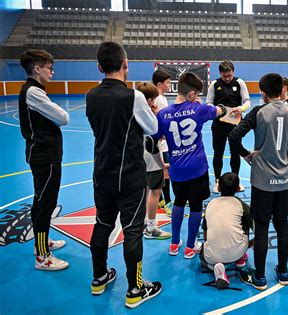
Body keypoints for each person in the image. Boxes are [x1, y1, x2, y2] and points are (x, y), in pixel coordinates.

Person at [86, 42, 161, 308]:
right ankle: (135, 289)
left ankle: (99, 277)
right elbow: (152, 128)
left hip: (101, 174)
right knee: (132, 231)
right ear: (125, 65)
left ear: (99, 66)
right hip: (129, 176)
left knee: (102, 225)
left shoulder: (90, 95)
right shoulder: (134, 97)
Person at [229, 73, 288, 291]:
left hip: (262, 179)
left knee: (261, 227)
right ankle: (284, 271)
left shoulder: (259, 112)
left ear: (263, 93)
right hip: (284, 179)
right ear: (283, 90)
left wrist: (247, 154)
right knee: (282, 224)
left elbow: (233, 136)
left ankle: (259, 277)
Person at [153, 72, 226, 259]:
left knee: (178, 202)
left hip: (177, 169)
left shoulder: (163, 114)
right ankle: (190, 246)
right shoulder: (198, 109)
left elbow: (155, 137)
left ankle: (174, 243)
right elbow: (219, 111)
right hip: (197, 168)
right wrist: (223, 108)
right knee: (195, 206)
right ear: (192, 94)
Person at [18, 49, 70, 271]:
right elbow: (63, 117)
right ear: (37, 69)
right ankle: (42, 256)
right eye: (49, 68)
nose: (52, 72)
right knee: (45, 203)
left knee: (41, 201)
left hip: (44, 155)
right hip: (44, 156)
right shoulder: (33, 92)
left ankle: (41, 242)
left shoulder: (35, 90)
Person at [200, 172, 253, 289]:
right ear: (239, 189)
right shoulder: (242, 205)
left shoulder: (210, 204)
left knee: (202, 256)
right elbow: (258, 229)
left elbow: (205, 233)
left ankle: (216, 267)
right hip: (239, 250)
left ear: (218, 188)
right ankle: (240, 258)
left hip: (213, 255)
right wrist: (249, 244)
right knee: (245, 221)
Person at [206, 60, 251, 193]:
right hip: (219, 125)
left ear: (233, 72)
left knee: (235, 153)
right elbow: (208, 103)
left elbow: (247, 101)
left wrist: (241, 109)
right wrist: (216, 110)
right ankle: (217, 182)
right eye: (225, 76)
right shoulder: (214, 84)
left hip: (235, 126)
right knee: (218, 153)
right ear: (220, 73)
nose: (227, 78)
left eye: (230, 75)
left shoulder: (239, 82)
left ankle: (235, 182)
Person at [136, 82, 171, 240]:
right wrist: (161, 164)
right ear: (149, 100)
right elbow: (157, 135)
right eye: (154, 100)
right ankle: (150, 228)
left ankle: (143, 222)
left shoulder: (134, 112)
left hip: (139, 157)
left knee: (145, 190)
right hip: (151, 158)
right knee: (155, 191)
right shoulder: (148, 115)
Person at [152, 69, 173, 214]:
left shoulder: (161, 98)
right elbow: (159, 120)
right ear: (159, 84)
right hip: (162, 143)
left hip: (163, 142)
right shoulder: (158, 99)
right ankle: (168, 202)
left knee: (162, 171)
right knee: (165, 172)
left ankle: (160, 200)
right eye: (167, 82)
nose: (169, 85)